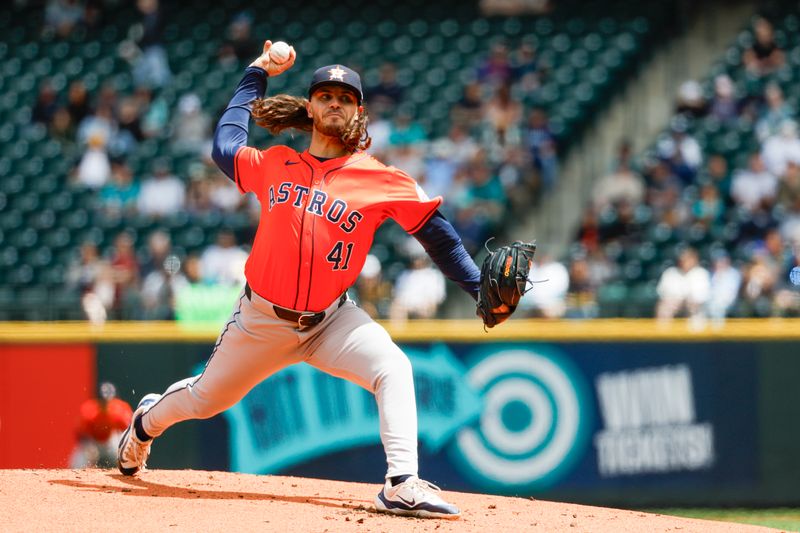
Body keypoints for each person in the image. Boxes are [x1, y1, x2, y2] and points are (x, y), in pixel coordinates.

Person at [117, 40, 508, 520]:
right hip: (261, 319)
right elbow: (224, 144)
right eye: (326, 95)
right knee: (203, 399)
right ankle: (144, 424)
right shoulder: (276, 162)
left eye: (345, 98)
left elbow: (441, 239)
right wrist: (256, 71)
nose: (335, 103)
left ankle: (401, 482)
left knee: (394, 368)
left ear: (359, 112)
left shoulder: (380, 178)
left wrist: (477, 289)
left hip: (331, 321)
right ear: (311, 106)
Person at [71, 382, 133, 468]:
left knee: (124, 449)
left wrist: (124, 448)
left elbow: (130, 431)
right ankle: (75, 476)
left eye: (108, 401)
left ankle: (129, 471)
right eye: (103, 401)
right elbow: (80, 434)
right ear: (97, 400)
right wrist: (88, 447)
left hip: (111, 441)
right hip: (93, 442)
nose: (105, 404)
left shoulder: (120, 409)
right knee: (80, 459)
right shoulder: (89, 410)